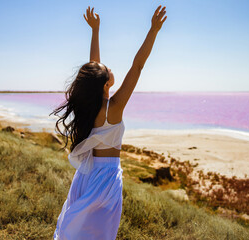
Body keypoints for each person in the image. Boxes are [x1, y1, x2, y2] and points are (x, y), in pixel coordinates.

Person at [50, 5, 167, 240]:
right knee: (100, 233)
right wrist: (153, 31)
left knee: (78, 229)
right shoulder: (113, 108)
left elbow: (94, 66)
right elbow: (138, 66)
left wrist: (95, 31)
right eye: (109, 70)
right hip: (107, 177)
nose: (110, 68)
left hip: (87, 174)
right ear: (105, 84)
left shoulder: (90, 108)